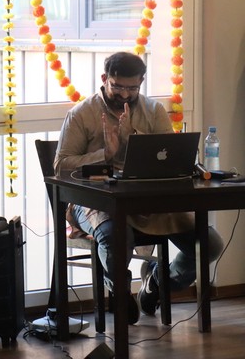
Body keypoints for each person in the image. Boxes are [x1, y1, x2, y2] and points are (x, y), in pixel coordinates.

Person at [54, 51, 224, 325]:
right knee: (115, 236)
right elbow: (61, 165)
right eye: (117, 87)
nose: (124, 94)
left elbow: (173, 156)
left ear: (141, 82)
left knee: (210, 244)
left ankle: (157, 283)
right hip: (95, 203)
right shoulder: (82, 114)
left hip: (149, 201)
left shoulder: (153, 111)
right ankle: (121, 291)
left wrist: (134, 137)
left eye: (132, 88)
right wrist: (105, 155)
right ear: (104, 79)